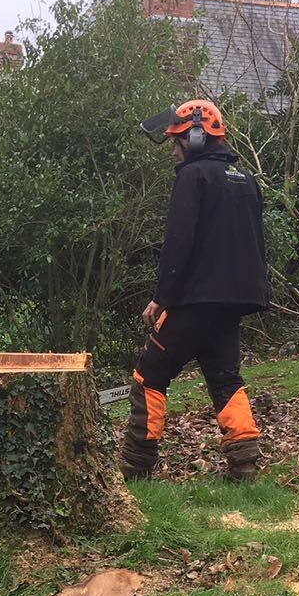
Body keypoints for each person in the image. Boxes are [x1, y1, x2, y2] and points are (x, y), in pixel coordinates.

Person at [121, 99, 271, 483]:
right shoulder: (245, 179)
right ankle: (245, 465)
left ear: (197, 136)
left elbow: (178, 243)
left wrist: (162, 296)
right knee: (225, 379)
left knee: (149, 374)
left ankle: (135, 468)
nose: (173, 150)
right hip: (232, 304)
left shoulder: (193, 177)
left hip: (193, 301)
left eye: (176, 141)